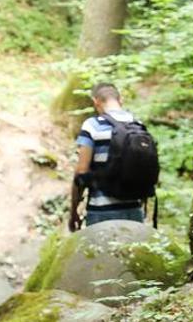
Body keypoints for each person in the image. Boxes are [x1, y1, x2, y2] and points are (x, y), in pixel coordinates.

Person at [68, 82, 161, 231]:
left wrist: (73, 212)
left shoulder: (92, 126)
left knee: (100, 254)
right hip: (134, 212)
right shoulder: (137, 124)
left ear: (96, 102)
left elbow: (81, 172)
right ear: (120, 100)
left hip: (101, 212)